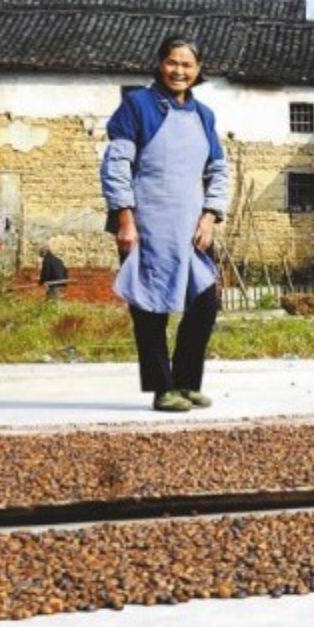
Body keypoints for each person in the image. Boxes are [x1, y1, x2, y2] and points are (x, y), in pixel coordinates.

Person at [100, 36, 229, 412]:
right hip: (147, 224)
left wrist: (210, 216)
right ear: (160, 64)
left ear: (198, 70)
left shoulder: (204, 115)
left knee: (205, 302)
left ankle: (187, 381)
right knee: (150, 307)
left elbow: (218, 170)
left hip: (192, 226)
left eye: (187, 65)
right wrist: (125, 218)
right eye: (172, 62)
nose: (179, 71)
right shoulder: (137, 105)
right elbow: (117, 164)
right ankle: (162, 388)